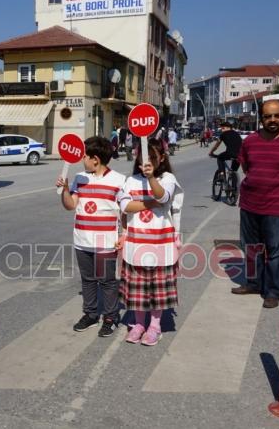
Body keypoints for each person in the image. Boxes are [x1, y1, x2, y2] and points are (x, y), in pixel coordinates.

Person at [230, 99, 279, 309]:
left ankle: (273, 292)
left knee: (274, 252)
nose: (272, 120)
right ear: (261, 118)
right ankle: (254, 284)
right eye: (267, 116)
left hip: (277, 206)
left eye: (277, 116)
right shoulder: (250, 141)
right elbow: (246, 167)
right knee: (251, 248)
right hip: (249, 204)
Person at [56, 136, 125, 337]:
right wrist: (66, 190)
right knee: (87, 280)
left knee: (107, 281)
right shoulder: (80, 178)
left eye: (85, 156)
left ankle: (111, 318)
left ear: (95, 159)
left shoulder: (119, 181)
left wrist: (125, 234)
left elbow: (125, 212)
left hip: (105, 243)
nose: (82, 159)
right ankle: (91, 314)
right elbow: (70, 205)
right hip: (82, 239)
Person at [118, 138, 183, 346]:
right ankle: (138, 324)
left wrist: (151, 178)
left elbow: (163, 197)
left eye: (152, 158)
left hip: (161, 245)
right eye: (143, 158)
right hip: (136, 244)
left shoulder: (167, 178)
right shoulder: (131, 180)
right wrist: (150, 202)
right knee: (137, 289)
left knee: (157, 290)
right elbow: (125, 206)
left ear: (161, 158)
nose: (147, 162)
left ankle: (155, 326)